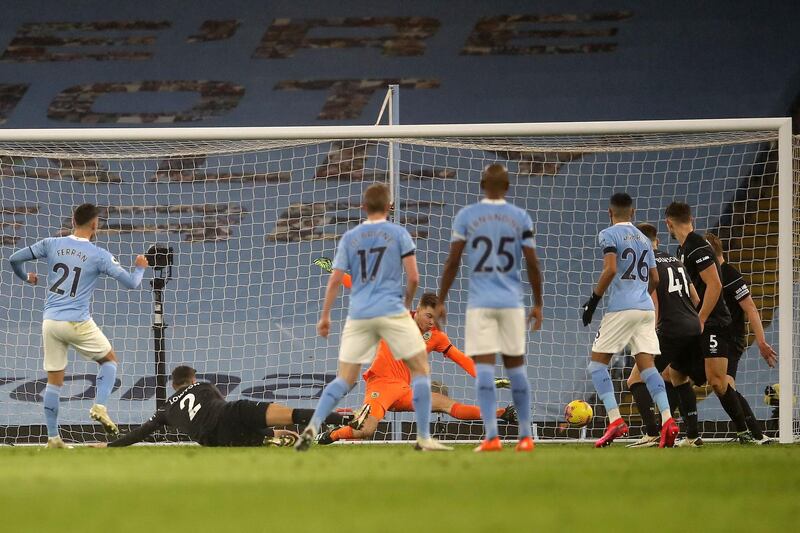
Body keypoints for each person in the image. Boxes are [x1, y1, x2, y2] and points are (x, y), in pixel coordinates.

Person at [296, 183, 450, 452]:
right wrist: (407, 303)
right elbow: (413, 277)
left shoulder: (351, 237)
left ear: (363, 207)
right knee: (421, 371)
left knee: (344, 379)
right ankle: (423, 437)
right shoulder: (399, 234)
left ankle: (313, 426)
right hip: (391, 311)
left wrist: (325, 316)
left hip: (360, 315)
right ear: (389, 207)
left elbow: (335, 280)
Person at [8, 203, 149, 448]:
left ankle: (53, 438)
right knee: (109, 361)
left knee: (54, 381)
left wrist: (26, 277)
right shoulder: (98, 254)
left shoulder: (50, 243)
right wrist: (139, 268)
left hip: (50, 321)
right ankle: (100, 406)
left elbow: (13, 259)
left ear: (73, 220)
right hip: (76, 320)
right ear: (95, 225)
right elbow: (131, 284)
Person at [437, 163, 544, 452]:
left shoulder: (467, 216)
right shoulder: (519, 217)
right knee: (516, 368)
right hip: (511, 304)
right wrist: (538, 304)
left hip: (481, 304)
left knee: (484, 369)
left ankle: (492, 437)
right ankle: (525, 437)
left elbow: (453, 261)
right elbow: (532, 263)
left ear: (481, 184)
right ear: (508, 187)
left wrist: (442, 299)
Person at [317, 293, 517, 444]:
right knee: (366, 431)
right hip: (381, 385)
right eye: (429, 316)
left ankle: (503, 414)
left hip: (405, 390)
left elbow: (461, 358)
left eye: (436, 319)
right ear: (419, 309)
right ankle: (331, 435)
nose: (432, 322)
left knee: (447, 405)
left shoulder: (437, 337)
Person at [582, 193, 678, 448]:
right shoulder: (645, 239)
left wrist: (592, 301)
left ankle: (615, 420)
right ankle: (668, 419)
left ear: (609, 212)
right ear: (633, 213)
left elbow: (611, 268)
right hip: (646, 309)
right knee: (648, 368)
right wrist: (640, 298)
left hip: (621, 308)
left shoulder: (608, 234)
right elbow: (655, 279)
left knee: (597, 365)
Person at [664, 202, 754, 443]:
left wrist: (701, 319)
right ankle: (692, 435)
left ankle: (744, 432)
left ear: (668, 223)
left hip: (713, 323)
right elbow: (693, 288)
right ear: (690, 217)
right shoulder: (682, 249)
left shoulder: (698, 246)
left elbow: (715, 285)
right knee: (675, 372)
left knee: (717, 381)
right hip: (695, 323)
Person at [92, 366, 349, 447]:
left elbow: (141, 433)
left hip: (213, 438)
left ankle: (264, 440)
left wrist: (110, 445)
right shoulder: (203, 386)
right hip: (229, 415)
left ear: (173, 386)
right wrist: (271, 428)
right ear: (191, 380)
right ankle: (346, 421)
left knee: (239, 434)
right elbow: (226, 413)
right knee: (291, 414)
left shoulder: (165, 410)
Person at [626, 223, 703, 447]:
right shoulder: (676, 261)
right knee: (678, 377)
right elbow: (696, 298)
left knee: (635, 379)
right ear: (656, 241)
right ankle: (692, 436)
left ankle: (652, 433)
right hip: (691, 325)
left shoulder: (644, 264)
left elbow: (652, 300)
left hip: (669, 328)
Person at [704, 232, 777, 444]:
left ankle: (754, 434)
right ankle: (753, 434)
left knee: (724, 384)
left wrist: (761, 342)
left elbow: (751, 309)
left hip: (730, 339)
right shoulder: (708, 276)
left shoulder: (730, 275)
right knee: (723, 386)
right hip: (713, 337)